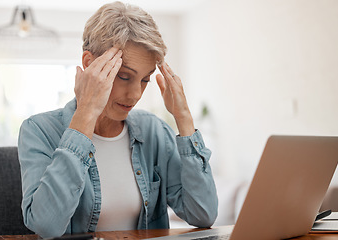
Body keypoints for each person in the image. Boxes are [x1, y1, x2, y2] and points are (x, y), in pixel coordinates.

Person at [18, 1, 218, 238]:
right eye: (124, 76)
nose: (135, 94)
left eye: (145, 80)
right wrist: (86, 114)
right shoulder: (39, 130)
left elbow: (203, 214)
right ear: (90, 63)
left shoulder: (154, 131)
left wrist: (183, 118)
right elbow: (45, 226)